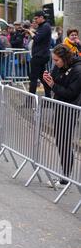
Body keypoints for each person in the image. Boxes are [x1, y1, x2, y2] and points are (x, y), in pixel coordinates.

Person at [43, 44, 81, 188]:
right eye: (53, 60)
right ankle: (64, 175)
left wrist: (53, 85)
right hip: (59, 106)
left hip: (70, 109)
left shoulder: (77, 70)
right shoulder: (59, 66)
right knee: (60, 141)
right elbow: (53, 82)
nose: (55, 63)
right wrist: (46, 80)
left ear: (65, 59)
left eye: (57, 60)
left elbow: (71, 93)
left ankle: (65, 179)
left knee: (64, 142)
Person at [25, 11, 52, 97]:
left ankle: (29, 101)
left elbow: (37, 39)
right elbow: (40, 37)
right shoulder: (43, 26)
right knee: (43, 78)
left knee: (33, 79)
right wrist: (33, 31)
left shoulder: (45, 26)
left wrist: (30, 32)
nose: (35, 20)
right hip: (40, 55)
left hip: (39, 56)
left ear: (41, 17)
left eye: (36, 18)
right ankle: (49, 99)